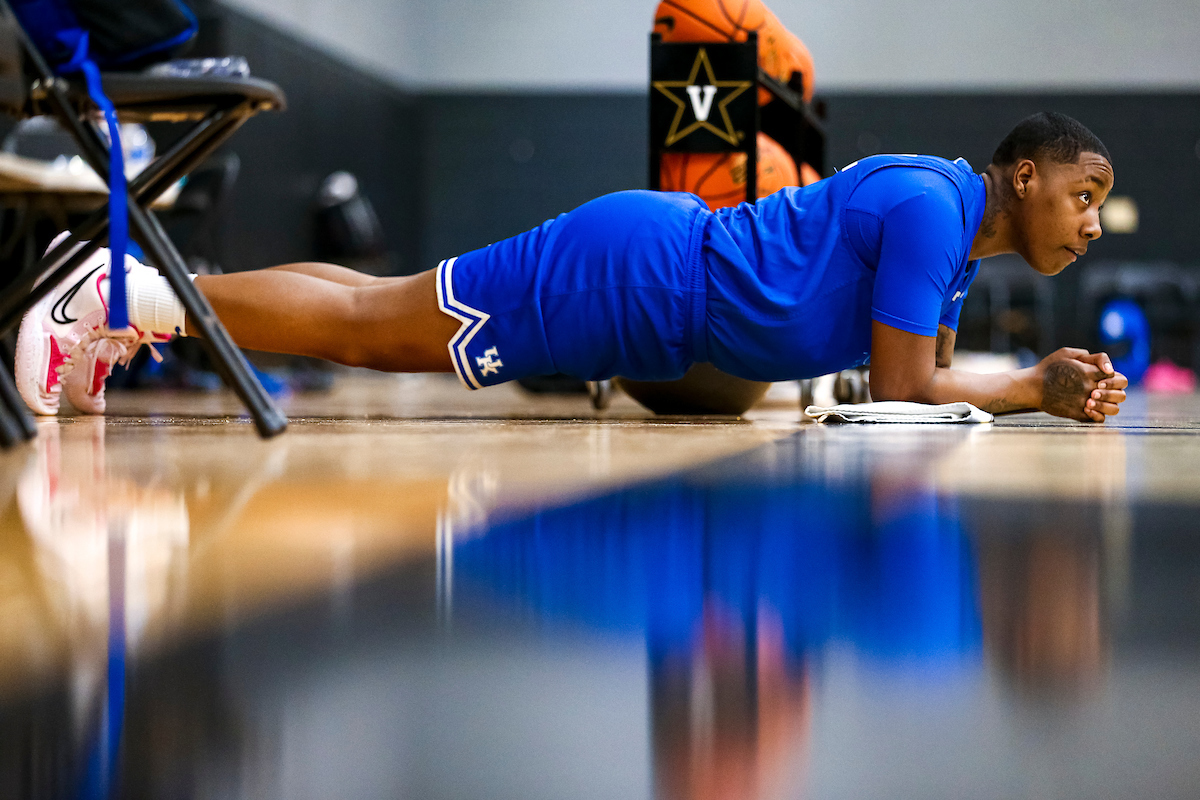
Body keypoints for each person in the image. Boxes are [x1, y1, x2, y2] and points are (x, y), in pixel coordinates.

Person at [16, 111, 1127, 422]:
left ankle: (147, 302)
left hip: (657, 290)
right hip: (645, 279)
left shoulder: (955, 238)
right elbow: (907, 392)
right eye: (1082, 193)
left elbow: (923, 379)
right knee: (375, 330)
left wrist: (1034, 382)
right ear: (1019, 174)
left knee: (378, 310)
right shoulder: (938, 208)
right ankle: (125, 292)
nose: (1090, 220)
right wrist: (1032, 386)